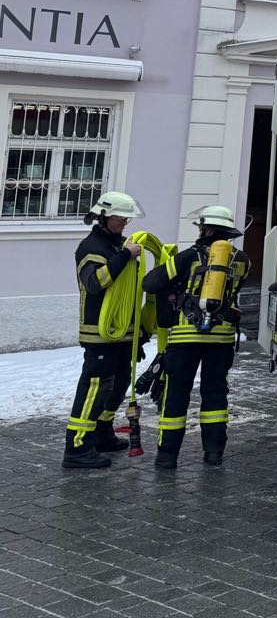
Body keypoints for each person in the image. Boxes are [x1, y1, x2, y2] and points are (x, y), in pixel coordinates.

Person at [142, 205, 249, 469]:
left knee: (177, 394)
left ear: (207, 229)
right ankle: (213, 454)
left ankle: (167, 456)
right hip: (222, 339)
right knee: (215, 395)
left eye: (201, 227)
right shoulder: (243, 260)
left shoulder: (188, 257)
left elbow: (151, 283)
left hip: (185, 337)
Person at [63, 191, 145, 469]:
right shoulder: (92, 247)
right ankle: (77, 448)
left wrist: (139, 333)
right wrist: (124, 255)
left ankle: (102, 434)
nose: (125, 223)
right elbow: (95, 283)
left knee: (120, 381)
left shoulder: (118, 244)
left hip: (122, 333)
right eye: (121, 218)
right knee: (94, 388)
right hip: (99, 332)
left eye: (127, 218)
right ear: (105, 216)